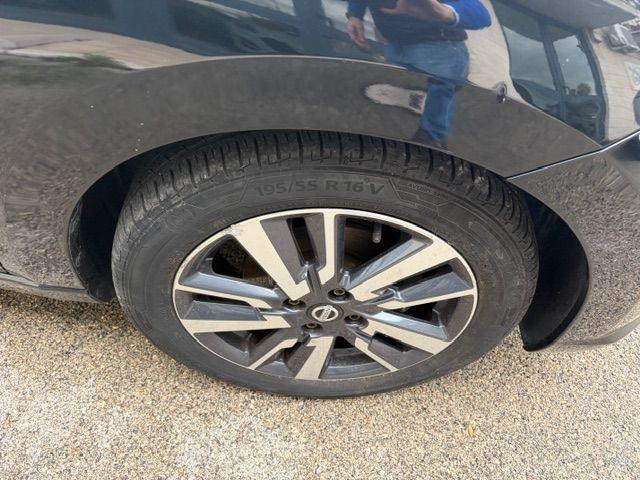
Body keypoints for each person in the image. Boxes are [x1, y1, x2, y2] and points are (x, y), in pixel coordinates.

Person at [346, 0, 491, 148]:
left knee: (430, 133)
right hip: (395, 45)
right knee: (395, 118)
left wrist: (442, 12)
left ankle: (431, 147)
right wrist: (355, 15)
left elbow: (482, 15)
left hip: (438, 48)